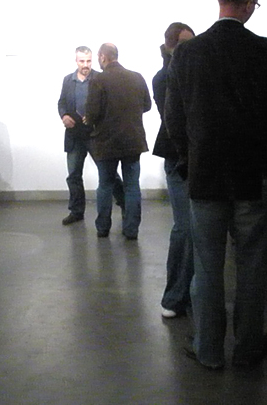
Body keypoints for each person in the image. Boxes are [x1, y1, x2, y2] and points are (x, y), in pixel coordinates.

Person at [165, 0, 267, 370]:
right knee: (252, 267)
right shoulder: (263, 49)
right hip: (252, 177)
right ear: (248, 5)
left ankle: (207, 350)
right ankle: (248, 348)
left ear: (220, 1)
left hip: (205, 178)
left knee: (207, 268)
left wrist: (190, 160)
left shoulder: (187, 52)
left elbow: (174, 118)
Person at [85, 43, 152, 240]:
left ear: (102, 57)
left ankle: (103, 228)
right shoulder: (137, 77)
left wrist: (92, 119)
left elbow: (92, 113)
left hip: (106, 142)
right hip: (133, 140)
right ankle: (131, 230)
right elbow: (147, 105)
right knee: (132, 186)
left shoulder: (98, 80)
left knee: (105, 185)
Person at [152, 22, 196, 318]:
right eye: (183, 44)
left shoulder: (186, 71)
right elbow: (176, 118)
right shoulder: (165, 77)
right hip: (179, 156)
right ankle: (175, 296)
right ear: (170, 46)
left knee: (194, 227)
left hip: (193, 155)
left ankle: (187, 293)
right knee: (185, 226)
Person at [57, 46, 125, 226]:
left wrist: (95, 117)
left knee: (109, 173)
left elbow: (108, 104)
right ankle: (76, 211)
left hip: (96, 134)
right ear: (76, 61)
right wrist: (64, 116)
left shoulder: (100, 78)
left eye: (88, 61)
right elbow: (61, 102)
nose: (85, 65)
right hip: (74, 135)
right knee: (73, 175)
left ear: (93, 60)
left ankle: (124, 203)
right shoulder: (68, 80)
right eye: (82, 61)